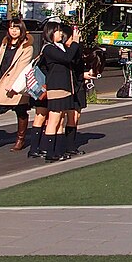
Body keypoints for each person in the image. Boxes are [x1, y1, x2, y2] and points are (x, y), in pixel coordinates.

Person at [0, 17, 35, 152]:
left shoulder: (27, 46)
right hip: (0, 80)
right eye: (11, 28)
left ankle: (20, 139)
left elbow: (22, 66)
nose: (14, 31)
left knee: (21, 111)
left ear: (22, 30)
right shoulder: (5, 43)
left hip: (16, 83)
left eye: (16, 28)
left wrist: (12, 84)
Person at [38, 20, 82, 163]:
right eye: (57, 31)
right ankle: (50, 152)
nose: (60, 34)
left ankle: (58, 150)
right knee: (54, 119)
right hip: (56, 87)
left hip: (65, 87)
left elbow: (72, 58)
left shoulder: (60, 46)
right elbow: (67, 58)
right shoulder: (48, 48)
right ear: (50, 33)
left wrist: (76, 44)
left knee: (61, 119)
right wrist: (74, 43)